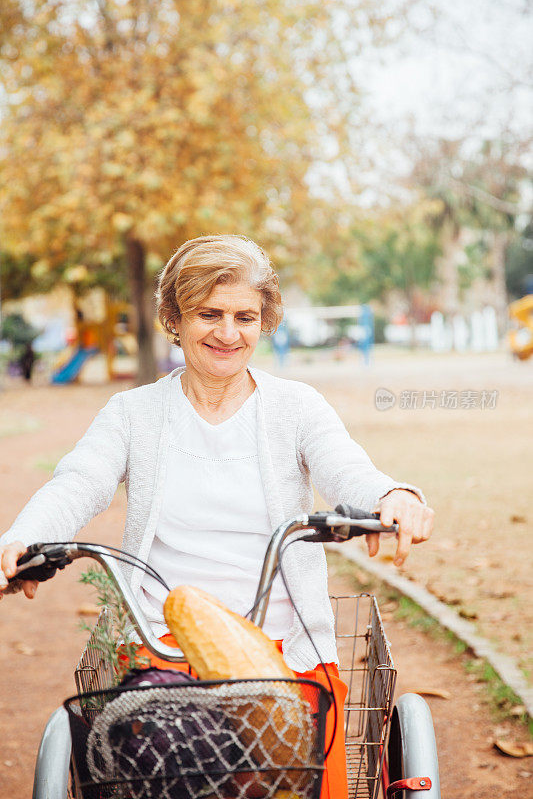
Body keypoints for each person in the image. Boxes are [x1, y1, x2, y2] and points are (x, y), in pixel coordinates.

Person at [0, 234, 434, 799]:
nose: (228, 334)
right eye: (209, 314)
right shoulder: (134, 413)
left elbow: (346, 467)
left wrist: (392, 494)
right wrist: (24, 539)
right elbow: (78, 483)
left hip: (285, 648)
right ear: (175, 319)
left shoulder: (295, 407)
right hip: (164, 649)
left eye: (245, 316)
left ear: (264, 320)